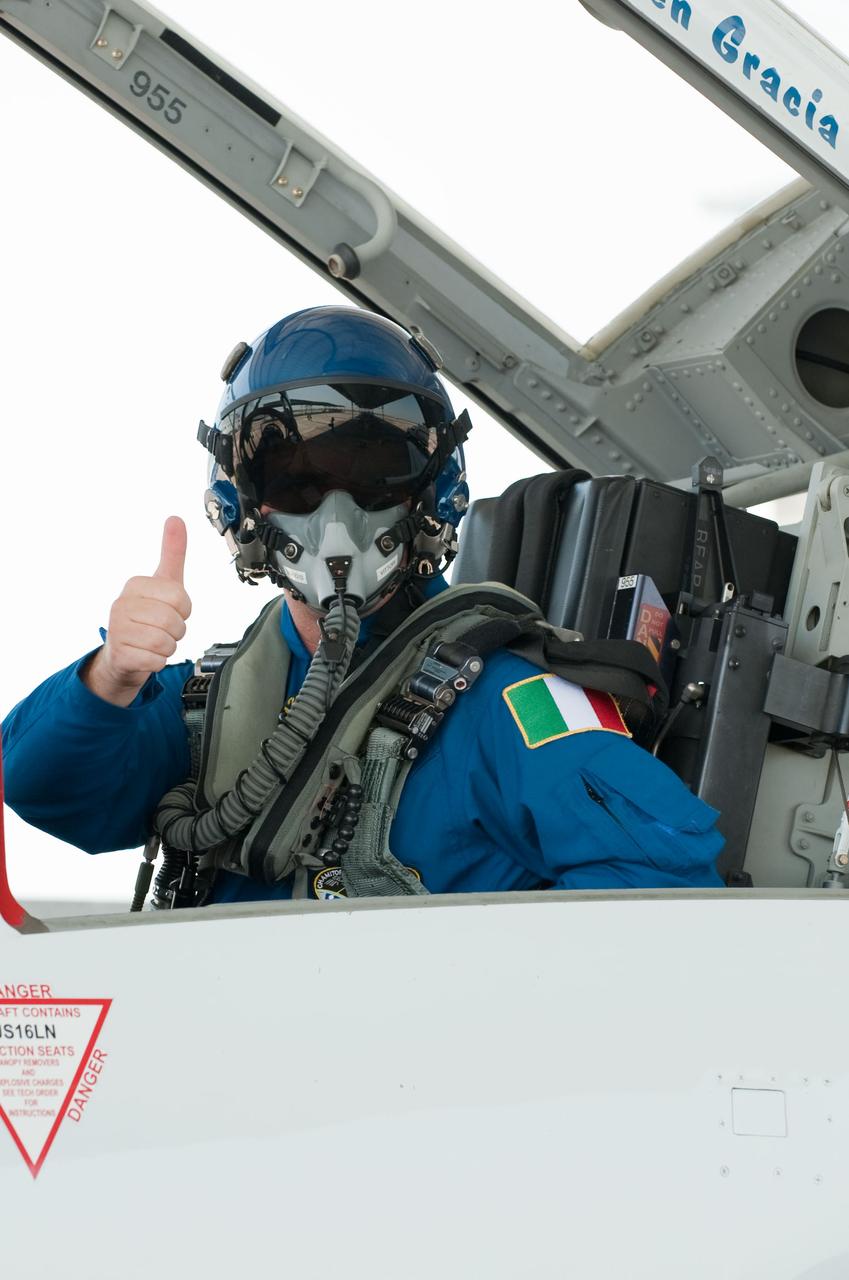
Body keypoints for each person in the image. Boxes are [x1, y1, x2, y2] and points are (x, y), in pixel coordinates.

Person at [1, 306, 724, 905]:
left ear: (430, 493)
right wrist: (110, 678)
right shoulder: (204, 703)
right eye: (295, 478)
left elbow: (665, 882)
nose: (336, 515)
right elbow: (45, 791)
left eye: (377, 471)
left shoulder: (512, 700)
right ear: (243, 503)